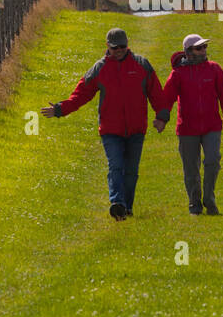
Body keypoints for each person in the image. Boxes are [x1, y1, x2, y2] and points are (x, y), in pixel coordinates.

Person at [41, 27, 168, 220]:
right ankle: (117, 202)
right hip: (110, 130)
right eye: (115, 47)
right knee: (116, 166)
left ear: (128, 45)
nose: (119, 50)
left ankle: (127, 208)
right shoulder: (99, 69)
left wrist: (162, 116)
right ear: (107, 46)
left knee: (131, 172)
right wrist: (60, 109)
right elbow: (81, 94)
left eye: (122, 47)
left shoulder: (142, 65)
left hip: (136, 129)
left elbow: (156, 93)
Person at [157, 33, 223, 215]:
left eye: (204, 47)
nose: (204, 50)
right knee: (191, 169)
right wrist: (161, 119)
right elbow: (166, 99)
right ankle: (194, 203)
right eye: (199, 47)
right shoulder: (177, 74)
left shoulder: (215, 69)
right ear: (188, 52)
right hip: (187, 129)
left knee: (212, 161)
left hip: (212, 126)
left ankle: (209, 198)